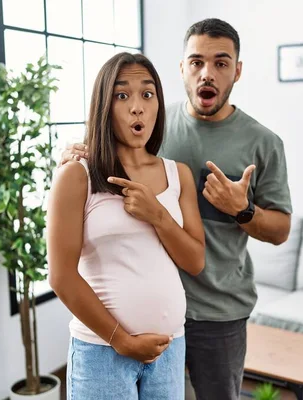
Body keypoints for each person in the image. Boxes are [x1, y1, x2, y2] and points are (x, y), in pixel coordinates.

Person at [60, 18, 292, 400]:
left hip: (218, 311)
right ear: (182, 68)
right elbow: (102, 154)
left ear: (238, 70)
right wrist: (72, 153)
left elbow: (281, 230)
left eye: (221, 62)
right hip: (137, 316)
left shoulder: (263, 142)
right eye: (197, 61)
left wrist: (242, 210)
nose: (207, 73)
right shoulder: (151, 125)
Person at [46, 52, 205, 400]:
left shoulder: (179, 175)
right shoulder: (77, 174)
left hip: (169, 348)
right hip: (102, 352)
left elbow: (195, 261)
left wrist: (158, 215)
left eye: (147, 94)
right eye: (122, 95)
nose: (137, 107)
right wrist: (122, 340)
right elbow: (61, 276)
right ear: (104, 105)